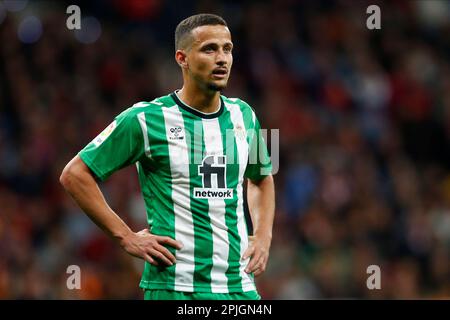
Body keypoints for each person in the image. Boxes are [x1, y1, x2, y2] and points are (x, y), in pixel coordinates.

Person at [60, 13, 275, 300]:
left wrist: (262, 235)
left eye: (227, 48)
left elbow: (262, 178)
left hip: (238, 286)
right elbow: (74, 174)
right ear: (182, 58)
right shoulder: (146, 118)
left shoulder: (245, 114)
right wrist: (126, 237)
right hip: (174, 287)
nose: (222, 58)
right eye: (209, 49)